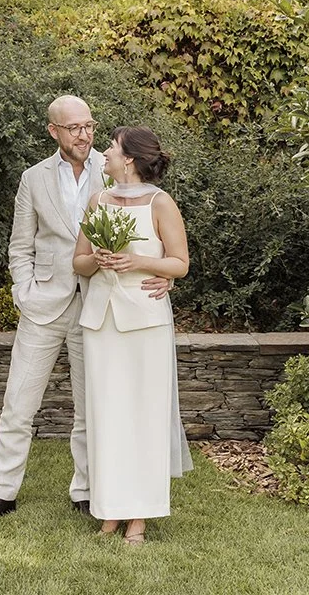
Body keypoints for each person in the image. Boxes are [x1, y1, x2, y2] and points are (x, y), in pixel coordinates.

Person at [0, 97, 172, 522]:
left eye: (89, 126)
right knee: (19, 403)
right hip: (43, 305)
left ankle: (85, 491)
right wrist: (23, 292)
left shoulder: (115, 169)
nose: (84, 135)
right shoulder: (34, 178)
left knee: (92, 406)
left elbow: (151, 233)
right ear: (53, 131)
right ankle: (3, 491)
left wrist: (167, 274)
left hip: (102, 308)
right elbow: (20, 244)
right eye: (74, 128)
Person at [72, 125, 193, 546]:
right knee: (105, 415)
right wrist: (98, 260)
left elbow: (180, 264)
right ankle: (108, 510)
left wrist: (138, 260)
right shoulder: (98, 200)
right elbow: (79, 262)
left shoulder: (161, 203)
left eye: (111, 147)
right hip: (101, 322)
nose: (104, 153)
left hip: (145, 323)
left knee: (142, 417)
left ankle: (138, 516)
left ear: (129, 158)